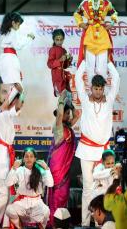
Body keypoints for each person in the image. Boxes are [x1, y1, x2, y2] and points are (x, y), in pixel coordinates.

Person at [74, 59, 120, 226]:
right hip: (86, 150)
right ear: (91, 88)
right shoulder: (85, 101)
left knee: (105, 188)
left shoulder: (109, 101)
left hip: (104, 152)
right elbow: (78, 78)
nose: (98, 92)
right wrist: (84, 60)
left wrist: (107, 62)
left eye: (101, 89)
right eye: (96, 88)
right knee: (87, 187)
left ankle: (104, 223)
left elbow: (116, 79)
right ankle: (85, 224)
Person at [74, 0, 118, 83]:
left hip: (102, 35)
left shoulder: (106, 2)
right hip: (89, 34)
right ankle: (90, 94)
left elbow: (115, 14)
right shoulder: (85, 2)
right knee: (90, 66)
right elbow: (77, 14)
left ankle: (101, 93)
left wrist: (112, 23)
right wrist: (81, 23)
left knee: (101, 67)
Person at [0, 94, 23, 229]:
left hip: (6, 154)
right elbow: (15, 104)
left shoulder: (8, 117)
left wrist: (20, 93)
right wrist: (17, 89)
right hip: (1, 156)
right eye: (7, 103)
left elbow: (19, 104)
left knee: (9, 191)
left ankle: (5, 223)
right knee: (4, 193)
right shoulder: (2, 115)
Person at [47, 90, 79, 226]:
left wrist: (70, 104)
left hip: (64, 170)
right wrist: (61, 99)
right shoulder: (58, 127)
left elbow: (78, 114)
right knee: (57, 197)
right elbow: (60, 114)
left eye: (68, 113)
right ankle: (55, 223)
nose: (69, 115)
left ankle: (61, 222)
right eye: (67, 113)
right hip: (57, 169)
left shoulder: (68, 126)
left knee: (63, 196)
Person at [5, 148, 54, 229]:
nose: (29, 159)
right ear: (23, 159)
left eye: (31, 156)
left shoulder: (40, 170)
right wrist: (13, 168)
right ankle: (20, 227)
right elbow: (8, 183)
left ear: (35, 159)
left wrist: (47, 169)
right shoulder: (19, 170)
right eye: (26, 156)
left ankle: (41, 227)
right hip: (22, 202)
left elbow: (50, 184)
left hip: (37, 202)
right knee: (9, 210)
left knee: (46, 211)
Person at [0, 12, 34, 105]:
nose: (19, 26)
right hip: (10, 59)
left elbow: (16, 44)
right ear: (13, 23)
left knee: (11, 86)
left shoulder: (6, 32)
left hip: (5, 59)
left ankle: (6, 107)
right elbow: (18, 45)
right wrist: (29, 38)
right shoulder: (12, 32)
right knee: (17, 86)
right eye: (18, 24)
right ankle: (7, 106)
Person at [47, 29, 73, 98]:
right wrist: (60, 60)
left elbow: (64, 66)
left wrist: (69, 60)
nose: (59, 42)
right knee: (63, 96)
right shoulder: (53, 49)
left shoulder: (64, 50)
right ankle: (60, 108)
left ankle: (64, 108)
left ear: (63, 39)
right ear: (54, 40)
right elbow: (50, 64)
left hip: (63, 77)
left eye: (61, 39)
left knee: (68, 97)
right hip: (57, 77)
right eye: (57, 39)